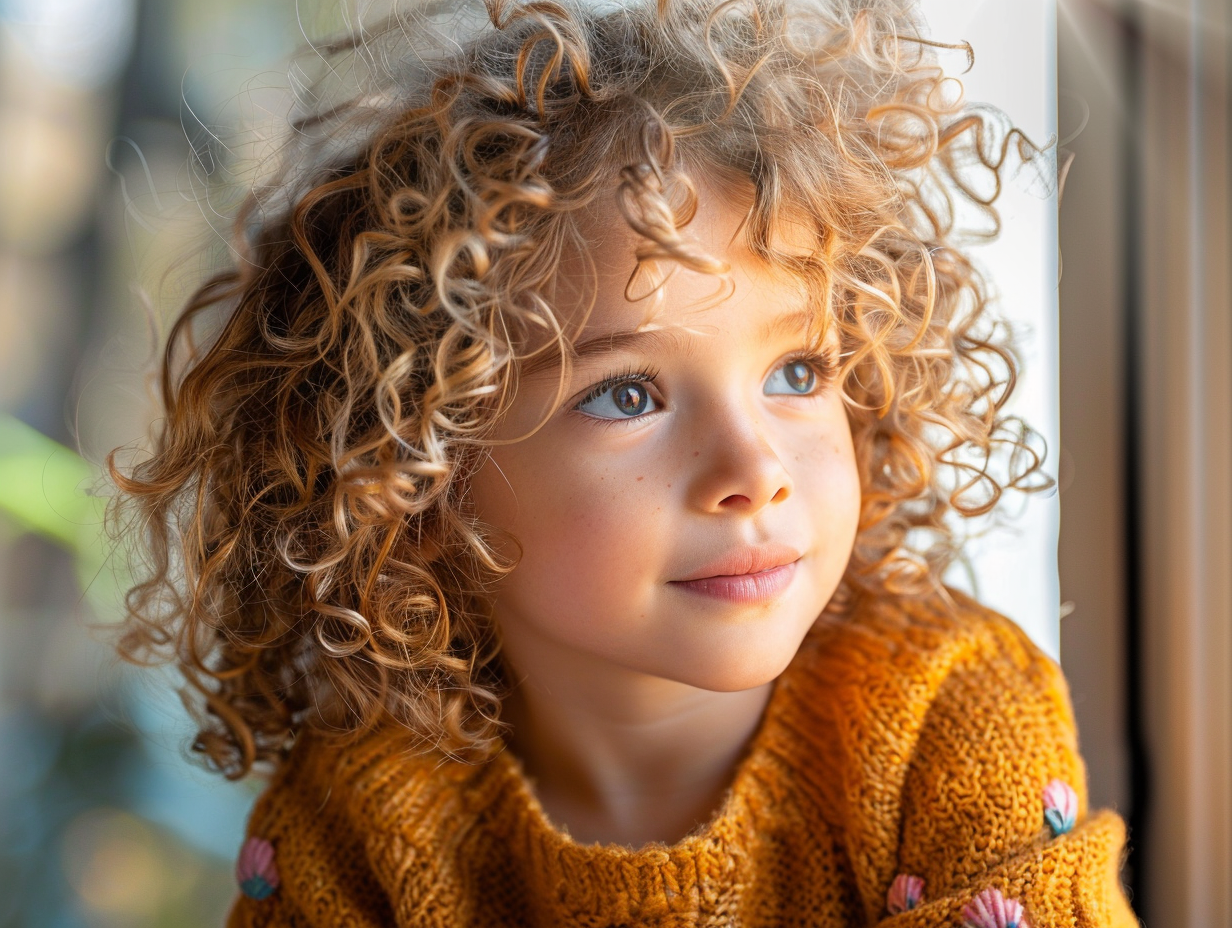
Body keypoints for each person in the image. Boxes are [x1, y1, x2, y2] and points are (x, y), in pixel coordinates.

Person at [107, 0, 1140, 924]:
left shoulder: (947, 714)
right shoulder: (359, 824)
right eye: (626, 395)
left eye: (795, 369)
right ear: (411, 478)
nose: (754, 467)